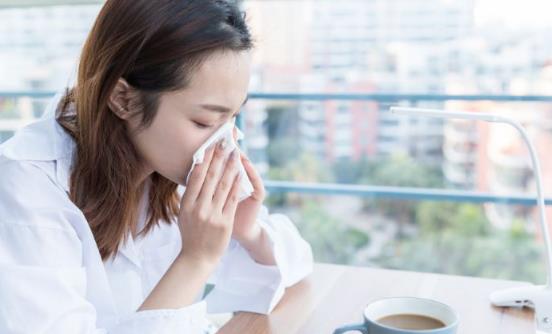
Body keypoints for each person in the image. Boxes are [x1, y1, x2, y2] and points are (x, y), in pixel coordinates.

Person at [0, 1, 313, 333]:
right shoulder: (25, 186)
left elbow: (295, 267)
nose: (225, 143)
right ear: (123, 99)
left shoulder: (165, 161)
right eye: (204, 121)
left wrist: (247, 231)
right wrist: (196, 260)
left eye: (232, 117)